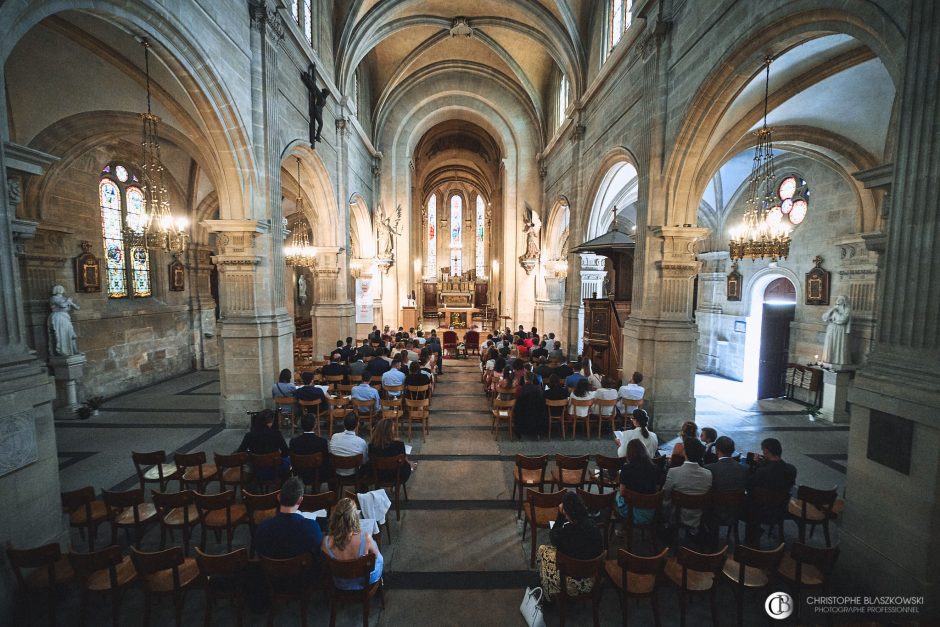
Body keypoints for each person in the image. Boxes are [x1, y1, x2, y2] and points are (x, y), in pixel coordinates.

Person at [536, 491, 604, 602]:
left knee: (543, 550)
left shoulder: (565, 533)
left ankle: (548, 593)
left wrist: (560, 516)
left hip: (572, 581)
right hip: (592, 579)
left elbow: (553, 536)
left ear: (566, 513)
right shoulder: (593, 526)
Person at [254, 476, 323, 562]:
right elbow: (317, 556)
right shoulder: (312, 529)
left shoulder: (262, 529)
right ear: (300, 500)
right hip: (303, 574)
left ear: (279, 497)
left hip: (271, 574)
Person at [322, 498, 384, 590]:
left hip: (340, 583)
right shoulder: (365, 538)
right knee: (379, 559)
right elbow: (378, 558)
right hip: (364, 582)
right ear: (355, 518)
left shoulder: (326, 541)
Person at [745, 437, 797, 545]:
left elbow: (749, 485)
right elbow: (776, 475)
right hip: (780, 508)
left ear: (766, 451)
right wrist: (763, 464)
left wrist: (754, 466)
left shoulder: (762, 472)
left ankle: (751, 541)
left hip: (760, 510)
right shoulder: (791, 470)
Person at [662, 438, 712, 532]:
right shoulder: (708, 474)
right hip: (698, 515)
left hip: (676, 515)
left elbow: (666, 494)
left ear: (685, 453)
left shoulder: (673, 472)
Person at [616, 439, 663, 525]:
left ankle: (622, 527)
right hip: (651, 512)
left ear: (629, 453)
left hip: (631, 512)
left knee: (616, 495)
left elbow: (622, 492)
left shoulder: (626, 469)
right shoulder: (655, 468)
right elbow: (657, 489)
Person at [705, 436, 747, 533]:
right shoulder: (744, 469)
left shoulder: (710, 469)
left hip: (714, 511)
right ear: (733, 450)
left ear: (716, 450)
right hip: (736, 511)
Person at [237, 409, 290, 478]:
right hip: (274, 468)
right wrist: (277, 457)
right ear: (270, 422)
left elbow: (240, 452)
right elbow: (285, 452)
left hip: (256, 468)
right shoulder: (276, 434)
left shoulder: (249, 435)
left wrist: (250, 456)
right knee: (288, 460)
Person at [289, 413, 331, 487]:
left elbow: (292, 461)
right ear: (315, 425)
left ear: (301, 426)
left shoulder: (294, 442)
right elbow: (326, 460)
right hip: (318, 474)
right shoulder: (322, 442)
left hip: (300, 473)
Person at [368, 418, 414, 484]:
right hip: (396, 474)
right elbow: (403, 460)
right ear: (391, 431)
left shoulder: (372, 445)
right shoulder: (399, 444)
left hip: (378, 474)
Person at [48, 285, 80, 356]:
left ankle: (74, 350)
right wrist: (68, 301)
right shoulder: (53, 298)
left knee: (71, 334)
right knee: (62, 334)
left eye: (62, 288)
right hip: (58, 317)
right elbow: (63, 305)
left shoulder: (64, 298)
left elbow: (77, 308)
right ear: (57, 290)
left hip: (65, 317)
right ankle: (63, 351)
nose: (62, 290)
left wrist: (72, 304)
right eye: (60, 289)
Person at [514, 371, 547, 437]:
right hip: (537, 415)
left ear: (525, 379)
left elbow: (517, 401)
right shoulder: (539, 389)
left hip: (524, 414)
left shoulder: (521, 389)